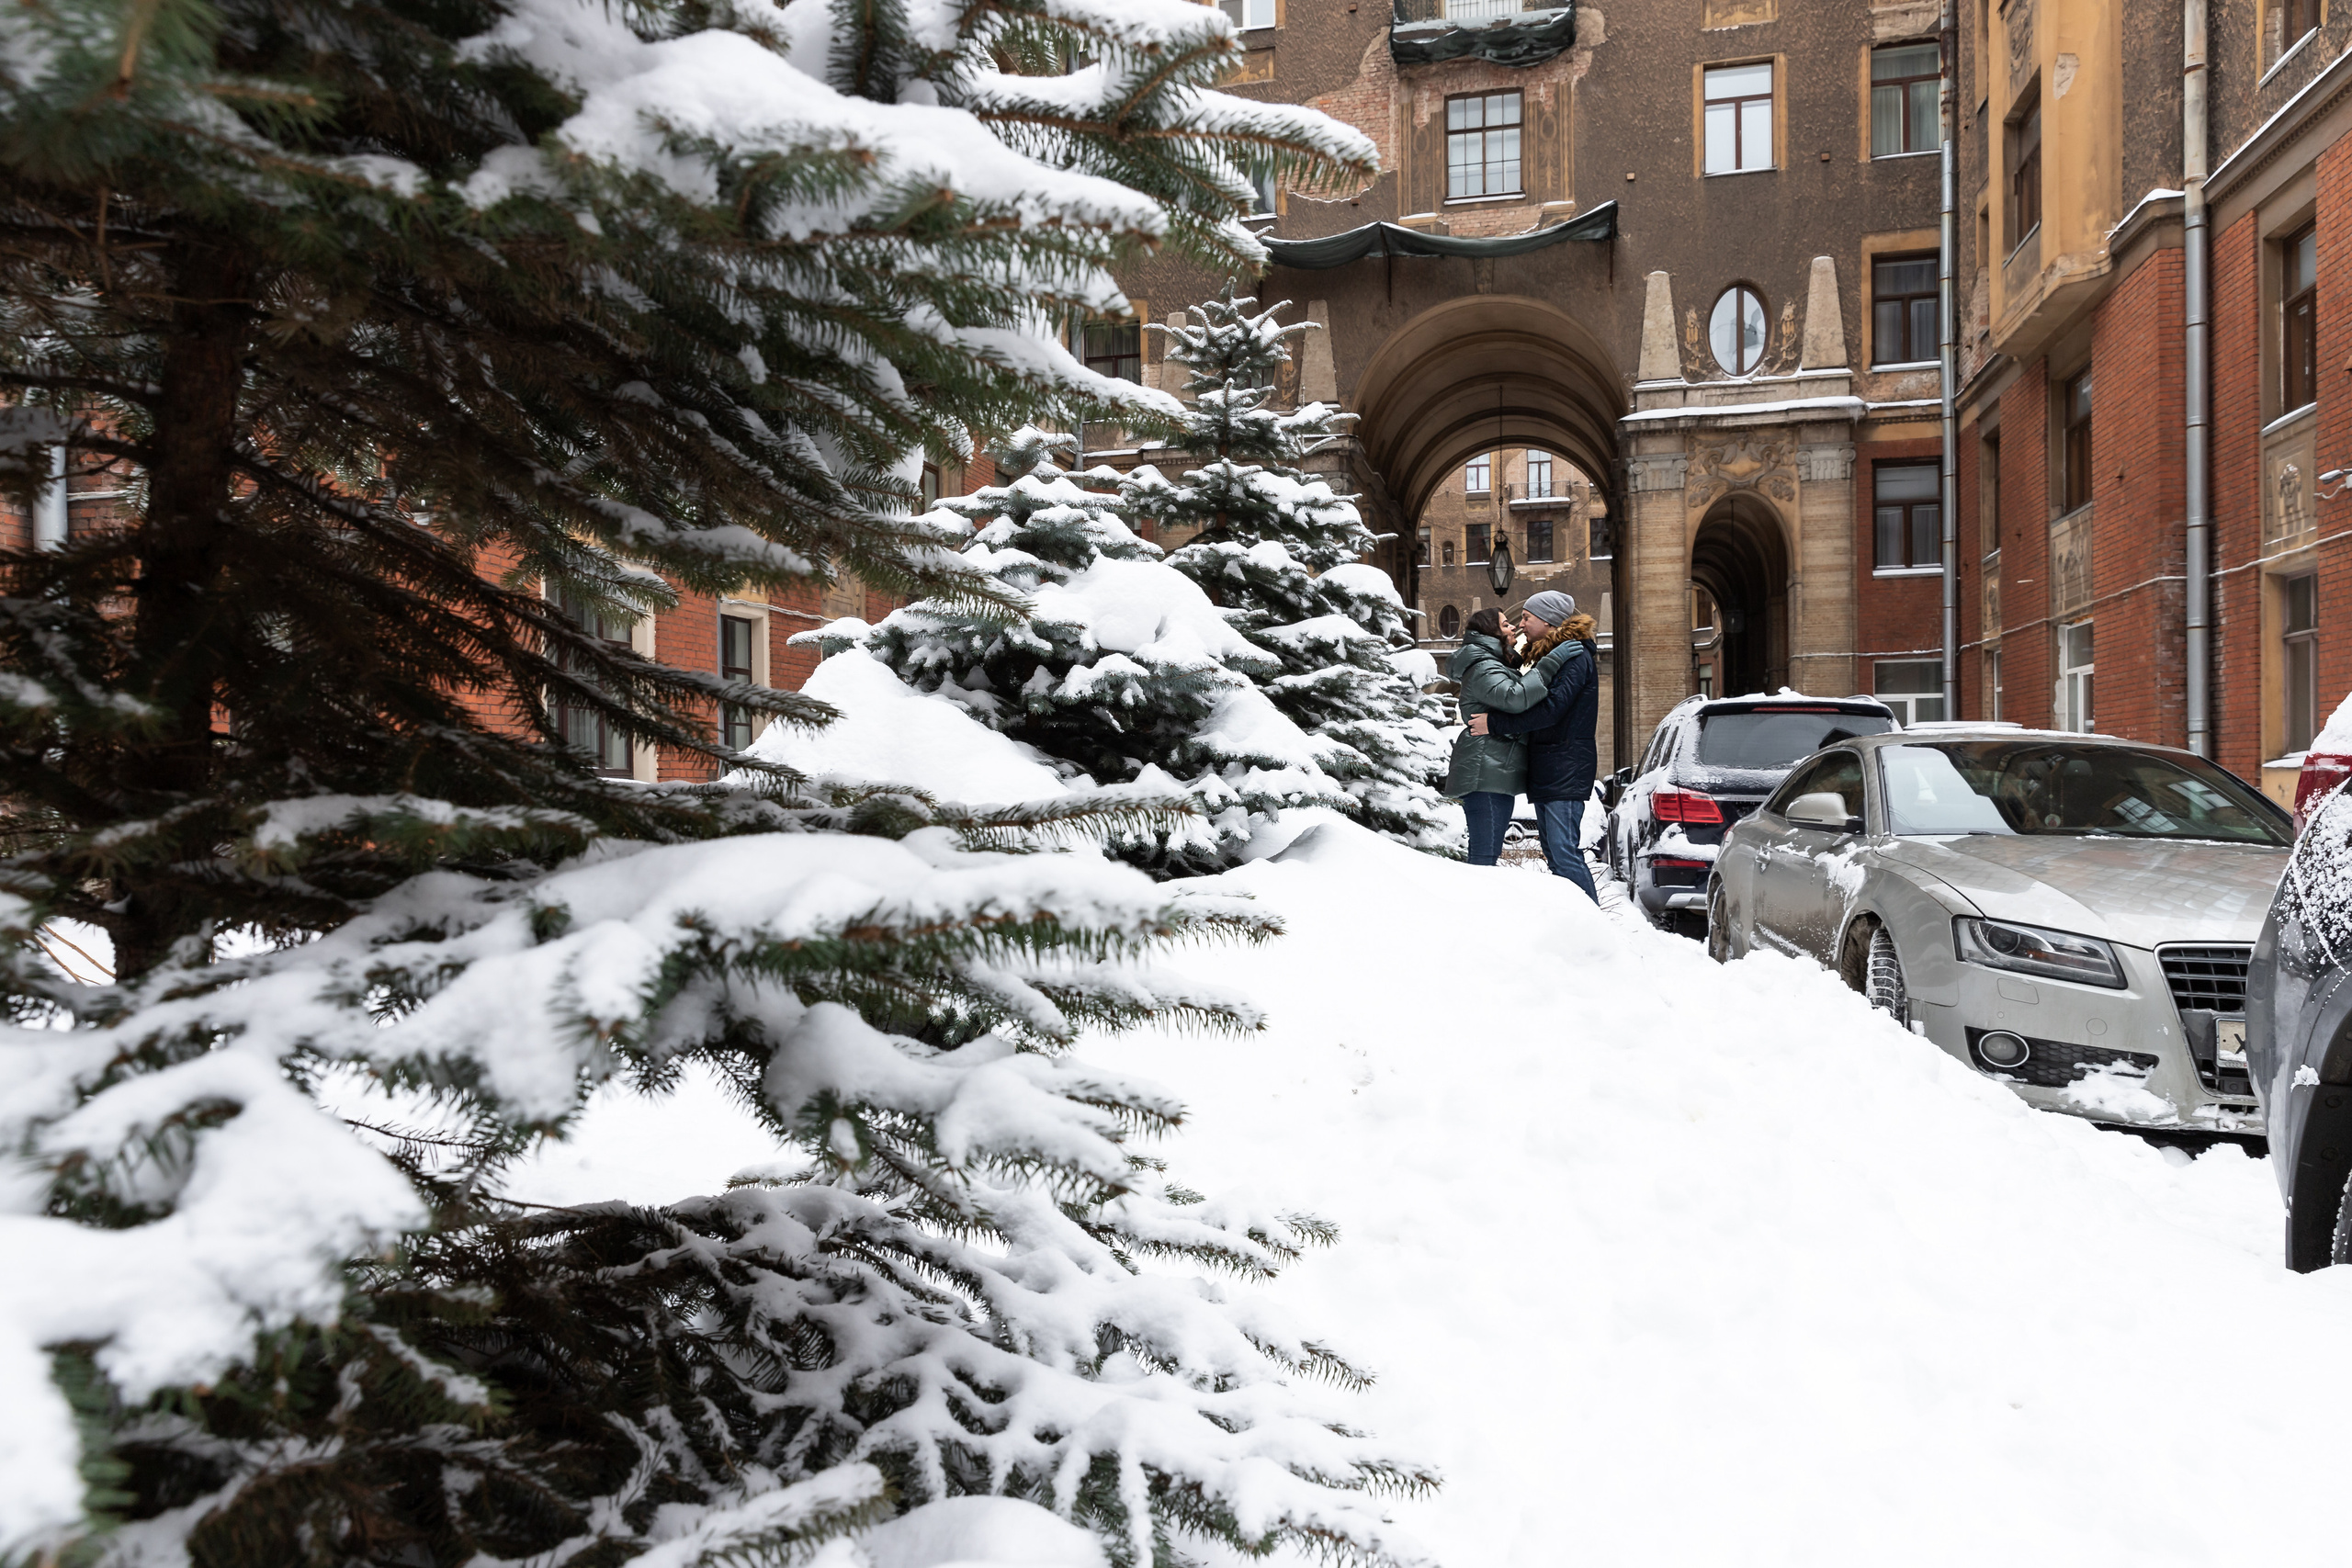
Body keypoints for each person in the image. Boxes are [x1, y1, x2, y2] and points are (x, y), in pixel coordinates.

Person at [1467, 590, 1600, 899]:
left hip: (1564, 768)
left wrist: (1494, 724)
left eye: (1527, 618)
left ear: (1549, 621)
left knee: (1564, 855)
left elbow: (1551, 710)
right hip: (1552, 768)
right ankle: (1581, 929)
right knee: (1556, 856)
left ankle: (1600, 932)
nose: (1521, 624)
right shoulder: (1552, 656)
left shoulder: (1575, 657)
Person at [1444, 607, 1583, 865]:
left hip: (1492, 770)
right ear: (1491, 632)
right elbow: (1514, 697)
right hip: (1484, 772)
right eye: (1506, 624)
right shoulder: (1485, 666)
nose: (1514, 628)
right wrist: (1551, 662)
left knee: (1486, 853)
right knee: (1484, 856)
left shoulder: (1491, 663)